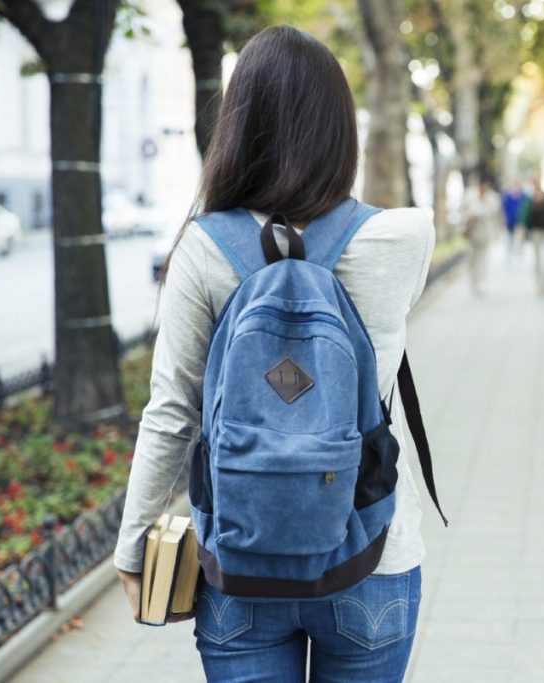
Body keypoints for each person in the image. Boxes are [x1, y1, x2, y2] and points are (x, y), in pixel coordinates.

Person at [112, 26, 434, 682]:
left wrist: (134, 541)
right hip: (370, 554)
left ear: (238, 125)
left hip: (242, 561)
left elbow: (172, 409)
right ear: (339, 130)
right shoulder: (403, 237)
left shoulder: (202, 247)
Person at [462, 176, 501, 295]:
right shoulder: (470, 195)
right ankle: (473, 282)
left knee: (484, 259)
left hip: (486, 233)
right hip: (472, 232)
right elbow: (465, 211)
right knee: (472, 259)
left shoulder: (493, 198)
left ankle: (481, 284)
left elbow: (494, 215)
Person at [501, 180, 525, 254]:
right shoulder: (508, 197)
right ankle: (509, 253)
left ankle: (519, 253)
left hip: (519, 221)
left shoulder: (523, 197)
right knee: (510, 238)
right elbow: (504, 209)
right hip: (510, 221)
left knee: (519, 239)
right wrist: (504, 219)